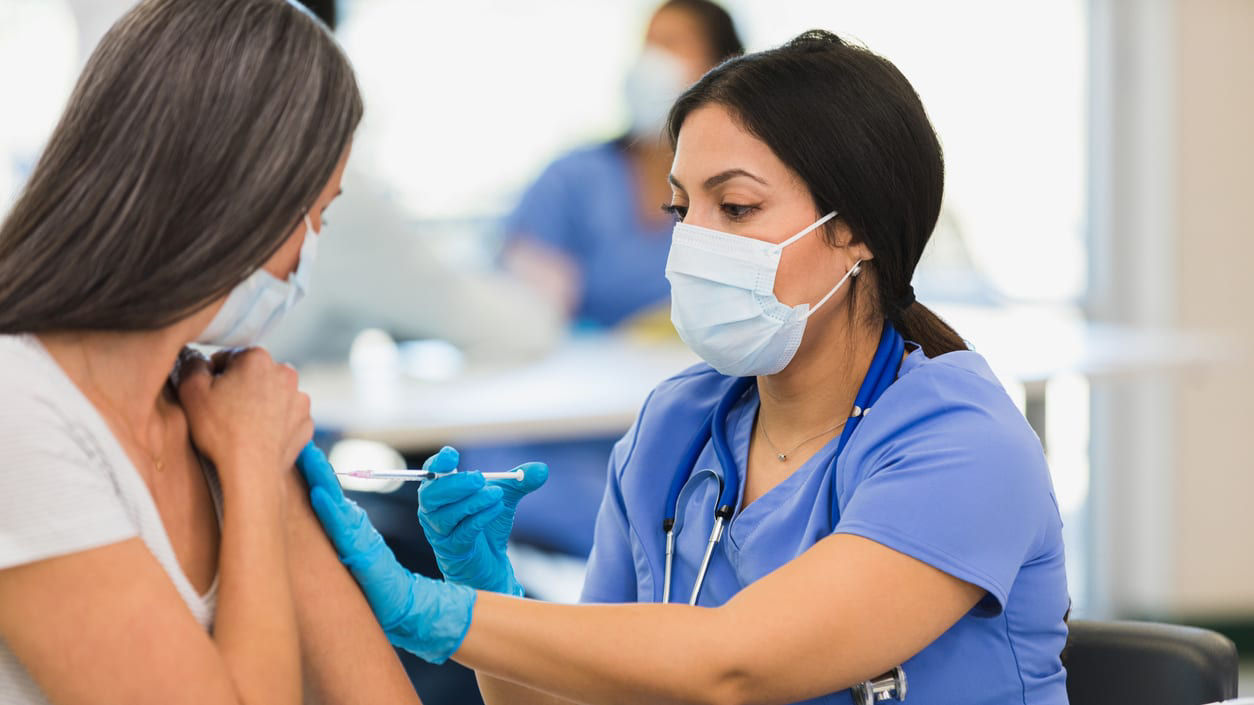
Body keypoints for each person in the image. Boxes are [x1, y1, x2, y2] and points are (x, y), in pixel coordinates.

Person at [299, 30, 1071, 705]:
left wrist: (437, 612)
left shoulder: (964, 445)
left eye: (734, 209)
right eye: (681, 210)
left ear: (857, 230)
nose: (693, 243)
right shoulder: (674, 430)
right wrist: (485, 589)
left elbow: (733, 664)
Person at [0, 1, 422, 702]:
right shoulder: (19, 409)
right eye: (316, 213)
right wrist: (256, 472)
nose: (309, 250)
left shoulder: (215, 406)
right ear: (240, 196)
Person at [459, 0, 745, 558]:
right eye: (649, 43)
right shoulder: (572, 181)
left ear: (724, 67)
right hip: (565, 422)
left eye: (674, 44)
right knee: (503, 481)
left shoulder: (749, 196)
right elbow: (517, 316)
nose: (651, 62)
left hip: (690, 417)